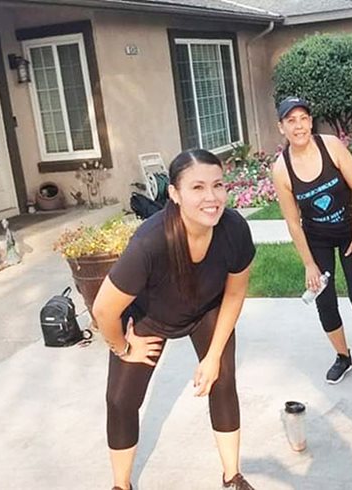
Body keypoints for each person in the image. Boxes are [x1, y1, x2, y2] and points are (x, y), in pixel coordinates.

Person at [93, 150, 256, 490]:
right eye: (197, 187)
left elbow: (234, 294)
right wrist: (124, 348)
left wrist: (213, 357)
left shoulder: (234, 229)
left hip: (205, 309)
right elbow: (104, 309)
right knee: (121, 401)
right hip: (149, 318)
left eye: (218, 185)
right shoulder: (151, 242)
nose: (211, 197)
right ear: (175, 194)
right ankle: (121, 485)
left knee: (222, 380)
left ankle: (232, 477)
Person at [271, 96, 352, 397]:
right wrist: (309, 264)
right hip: (317, 239)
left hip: (351, 231)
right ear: (281, 127)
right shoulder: (282, 170)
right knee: (324, 301)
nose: (299, 126)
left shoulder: (331, 147)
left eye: (303, 118)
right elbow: (293, 223)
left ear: (310, 121)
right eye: (291, 121)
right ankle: (343, 356)